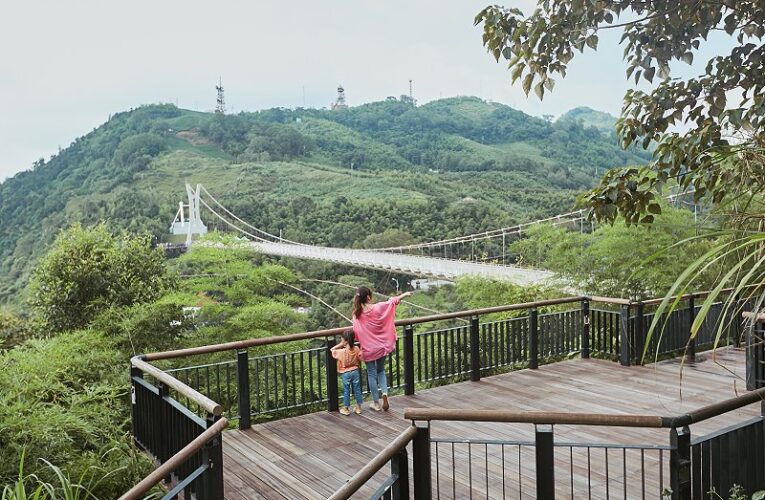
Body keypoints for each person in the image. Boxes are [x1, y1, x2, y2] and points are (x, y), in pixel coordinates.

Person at [352, 286, 413, 411]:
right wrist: (405, 294)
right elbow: (392, 302)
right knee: (380, 371)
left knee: (371, 373)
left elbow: (356, 333)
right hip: (381, 346)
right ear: (368, 297)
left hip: (368, 349)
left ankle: (376, 403)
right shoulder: (378, 307)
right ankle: (385, 393)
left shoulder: (356, 314)